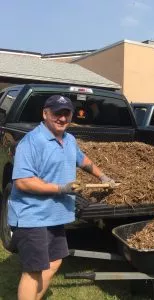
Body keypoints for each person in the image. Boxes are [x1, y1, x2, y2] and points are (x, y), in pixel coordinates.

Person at [8, 95, 116, 300]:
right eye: (57, 113)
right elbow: (22, 181)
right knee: (34, 270)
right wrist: (60, 189)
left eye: (66, 113)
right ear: (45, 113)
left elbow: (82, 159)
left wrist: (102, 175)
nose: (62, 118)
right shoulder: (32, 142)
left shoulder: (69, 139)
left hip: (55, 215)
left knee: (55, 261)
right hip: (32, 215)